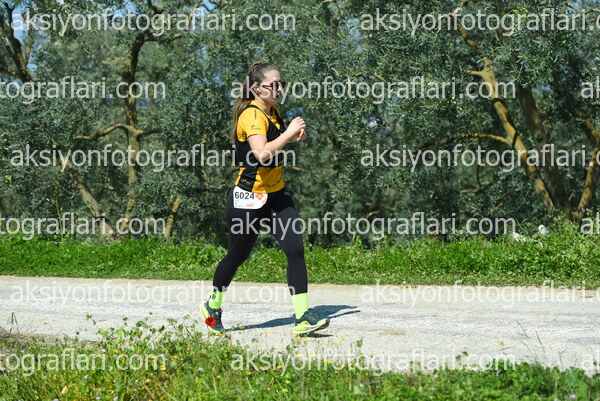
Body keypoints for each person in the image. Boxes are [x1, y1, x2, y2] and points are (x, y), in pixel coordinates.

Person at [200, 62, 330, 336]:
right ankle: (213, 304)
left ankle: (302, 317)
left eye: (281, 83)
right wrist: (288, 133)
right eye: (274, 85)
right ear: (257, 88)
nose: (279, 89)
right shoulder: (251, 115)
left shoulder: (274, 112)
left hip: (276, 194)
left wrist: (292, 137)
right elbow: (261, 153)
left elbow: (274, 143)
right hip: (249, 198)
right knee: (238, 255)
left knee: (295, 249)